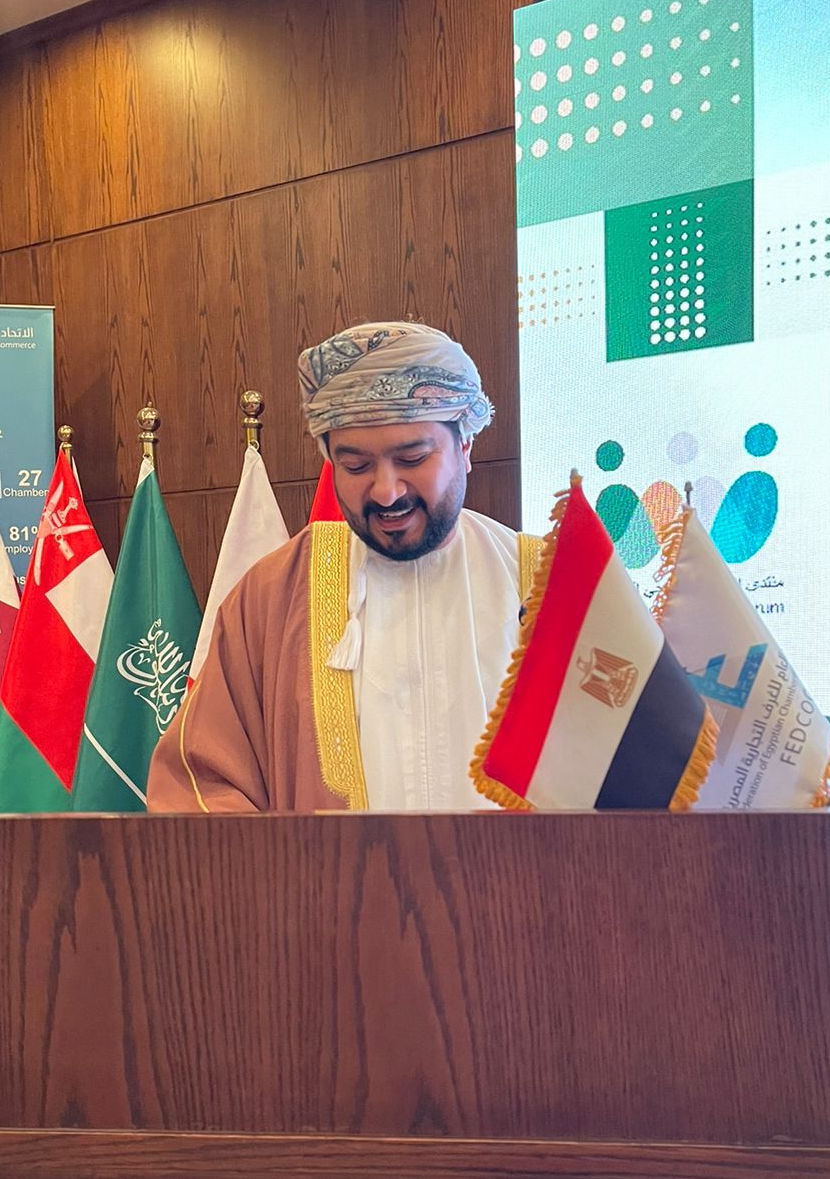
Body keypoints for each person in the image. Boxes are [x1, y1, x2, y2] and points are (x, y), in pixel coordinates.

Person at [147, 321, 541, 813]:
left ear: (464, 446)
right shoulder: (271, 596)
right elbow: (199, 788)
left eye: (412, 458)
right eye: (356, 466)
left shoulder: (546, 583)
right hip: (321, 870)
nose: (387, 491)